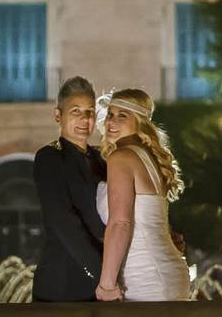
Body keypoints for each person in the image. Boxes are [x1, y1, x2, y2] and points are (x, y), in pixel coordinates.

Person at [94, 88, 190, 301]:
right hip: (170, 269)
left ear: (140, 121)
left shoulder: (121, 157)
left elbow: (120, 223)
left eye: (122, 116)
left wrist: (107, 284)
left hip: (145, 275)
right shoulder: (149, 157)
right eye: (110, 114)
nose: (111, 121)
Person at [31, 77, 107, 302]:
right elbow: (62, 221)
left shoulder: (103, 160)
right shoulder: (50, 158)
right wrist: (103, 274)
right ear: (58, 115)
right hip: (63, 282)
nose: (85, 119)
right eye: (76, 111)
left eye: (90, 112)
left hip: (102, 283)